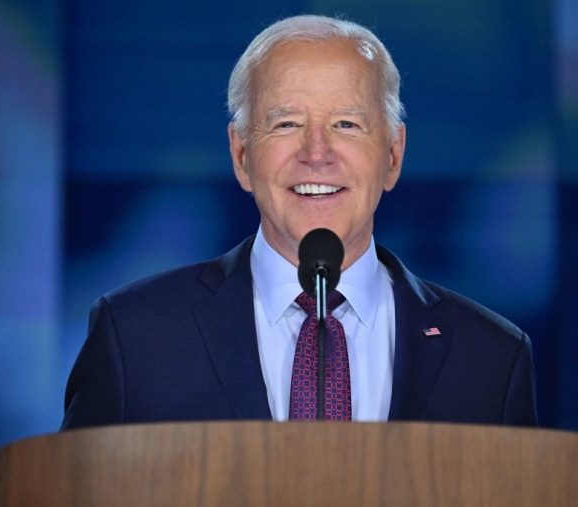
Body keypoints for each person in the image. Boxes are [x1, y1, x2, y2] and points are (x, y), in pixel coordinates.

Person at [61, 14, 537, 429]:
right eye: (286, 124)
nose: (317, 153)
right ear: (242, 155)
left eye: (346, 125)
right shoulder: (136, 334)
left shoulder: (491, 355)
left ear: (393, 156)